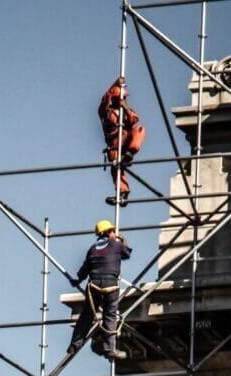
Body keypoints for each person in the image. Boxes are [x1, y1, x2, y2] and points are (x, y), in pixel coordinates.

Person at [67, 221, 131, 361]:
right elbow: (126, 255)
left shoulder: (92, 248)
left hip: (94, 285)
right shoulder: (116, 244)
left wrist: (77, 280)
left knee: (87, 315)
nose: (115, 234)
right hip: (110, 285)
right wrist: (123, 242)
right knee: (110, 316)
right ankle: (109, 349)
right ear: (109, 232)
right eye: (113, 231)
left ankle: (74, 345)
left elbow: (85, 268)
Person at [98, 78, 145, 207]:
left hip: (126, 144)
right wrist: (115, 84)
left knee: (140, 130)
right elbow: (103, 101)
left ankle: (129, 154)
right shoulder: (106, 113)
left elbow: (135, 119)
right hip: (114, 145)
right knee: (117, 168)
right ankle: (122, 193)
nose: (123, 101)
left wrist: (125, 108)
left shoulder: (127, 112)